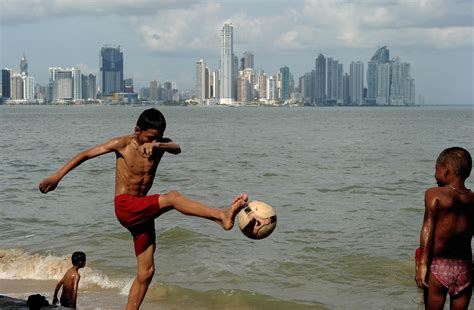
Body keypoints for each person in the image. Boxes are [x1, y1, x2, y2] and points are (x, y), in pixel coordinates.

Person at [39, 108, 248, 309]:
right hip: (125, 206)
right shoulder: (122, 144)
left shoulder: (159, 145)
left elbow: (177, 148)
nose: (152, 141)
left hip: (143, 210)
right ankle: (222, 216)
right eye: (148, 138)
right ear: (136, 130)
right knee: (173, 198)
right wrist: (57, 176)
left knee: (146, 272)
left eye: (157, 137)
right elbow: (85, 154)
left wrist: (157, 146)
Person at [416, 147, 474, 310]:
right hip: (465, 268)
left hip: (439, 266)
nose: (435, 175)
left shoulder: (433, 194)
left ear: (446, 169)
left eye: (436, 169)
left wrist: (422, 265)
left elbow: (428, 227)